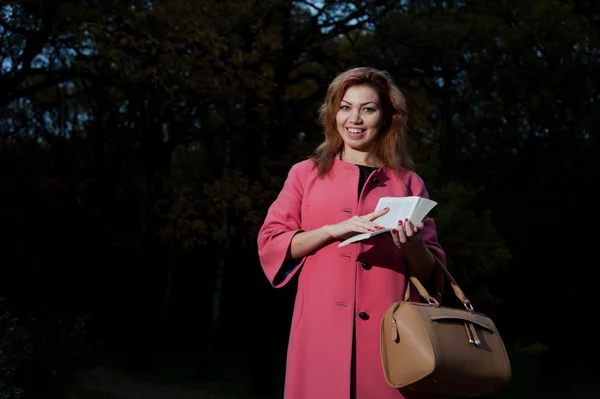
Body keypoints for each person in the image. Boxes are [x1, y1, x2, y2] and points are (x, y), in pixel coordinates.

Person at [257, 67, 446, 399]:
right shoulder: (305, 174)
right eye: (345, 107)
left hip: (391, 340)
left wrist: (413, 243)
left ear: (387, 118)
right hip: (318, 335)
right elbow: (273, 242)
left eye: (367, 109)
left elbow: (431, 271)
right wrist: (331, 230)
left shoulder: (409, 183)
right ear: (333, 113)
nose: (354, 118)